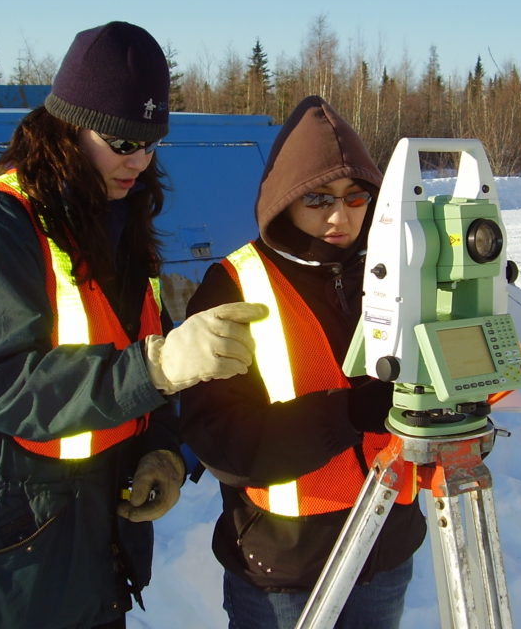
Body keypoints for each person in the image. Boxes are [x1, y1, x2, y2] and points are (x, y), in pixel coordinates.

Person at [0, 21, 267, 629]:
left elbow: (128, 356)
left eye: (150, 144)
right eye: (121, 142)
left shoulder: (115, 224)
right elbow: (4, 383)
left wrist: (161, 451)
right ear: (66, 128)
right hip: (7, 572)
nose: (139, 161)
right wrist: (159, 367)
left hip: (85, 551)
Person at [179, 96, 426, 629]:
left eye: (356, 197)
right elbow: (218, 436)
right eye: (318, 198)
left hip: (385, 549)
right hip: (283, 569)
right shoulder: (236, 284)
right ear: (284, 200)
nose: (340, 217)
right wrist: (345, 415)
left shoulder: (401, 272)